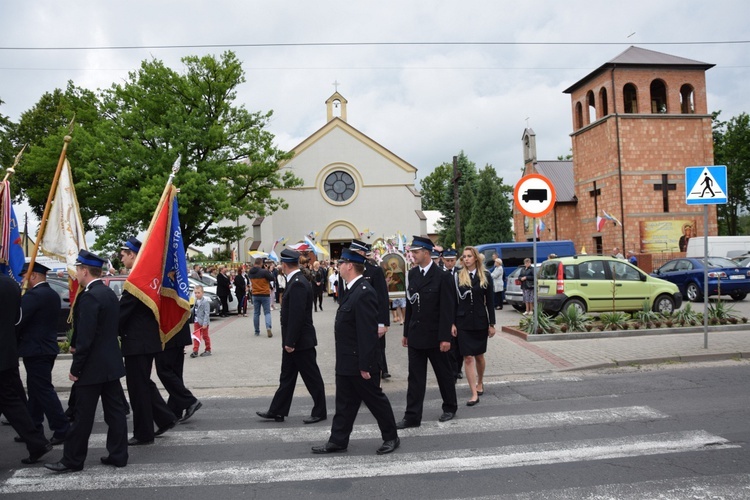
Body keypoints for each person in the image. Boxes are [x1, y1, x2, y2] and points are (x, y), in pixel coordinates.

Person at [45, 250, 128, 472]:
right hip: (110, 364)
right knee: (115, 413)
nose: (77, 274)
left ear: (84, 270)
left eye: (78, 269)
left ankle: (72, 460)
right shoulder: (108, 293)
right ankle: (118, 455)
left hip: (92, 367)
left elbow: (87, 337)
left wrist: (76, 367)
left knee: (82, 416)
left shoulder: (91, 296)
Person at [311, 248, 399, 455]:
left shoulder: (364, 292)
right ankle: (338, 440)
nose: (338, 266)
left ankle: (391, 437)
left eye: (341, 263)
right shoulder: (352, 289)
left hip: (360, 363)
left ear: (349, 265)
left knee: (375, 401)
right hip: (345, 361)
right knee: (344, 404)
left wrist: (366, 365)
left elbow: (368, 334)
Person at [118, 237, 178, 446]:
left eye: (123, 254)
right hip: (145, 341)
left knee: (138, 388)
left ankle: (144, 433)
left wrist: (107, 330)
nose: (121, 258)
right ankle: (165, 417)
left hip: (137, 343)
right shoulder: (144, 277)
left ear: (133, 255)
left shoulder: (137, 281)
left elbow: (121, 314)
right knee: (143, 383)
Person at [256, 249, 327, 424]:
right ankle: (277, 410)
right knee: (287, 377)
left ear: (285, 265)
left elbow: (297, 316)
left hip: (299, 341)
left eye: (281, 264)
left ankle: (320, 411)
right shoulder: (295, 280)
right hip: (294, 340)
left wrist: (290, 341)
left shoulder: (298, 283)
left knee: (312, 377)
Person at [397, 236, 457, 429]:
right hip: (416, 335)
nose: (412, 255)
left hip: (436, 336)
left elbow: (448, 310)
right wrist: (406, 332)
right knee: (415, 378)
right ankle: (412, 416)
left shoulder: (443, 277)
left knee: (444, 374)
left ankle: (450, 407)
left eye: (415, 252)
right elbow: (411, 306)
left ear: (425, 252)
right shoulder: (413, 275)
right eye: (412, 252)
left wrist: (445, 337)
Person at [0, 272, 53, 465]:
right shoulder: (11, 285)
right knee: (11, 402)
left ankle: (37, 442)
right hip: (8, 352)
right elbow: (17, 319)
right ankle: (37, 442)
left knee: (11, 401)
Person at [17, 262, 69, 446]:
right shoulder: (52, 294)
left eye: (24, 276)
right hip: (46, 348)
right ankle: (33, 427)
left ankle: (62, 428)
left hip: (36, 349)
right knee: (36, 389)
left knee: (43, 390)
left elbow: (19, 321)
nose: (23, 279)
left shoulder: (33, 296)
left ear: (34, 276)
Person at [451, 247, 496, 406]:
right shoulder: (457, 276)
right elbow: (453, 301)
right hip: (463, 322)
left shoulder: (486, 276)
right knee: (467, 357)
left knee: (479, 356)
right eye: (464, 257)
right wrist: (452, 323)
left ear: (476, 258)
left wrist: (492, 324)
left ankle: (480, 381)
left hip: (480, 321)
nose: (466, 259)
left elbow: (490, 301)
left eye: (469, 256)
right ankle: (473, 393)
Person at [344, 240, 391, 379]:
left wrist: (383, 323)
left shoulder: (374, 271)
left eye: (355, 252)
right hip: (354, 320)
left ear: (362, 253)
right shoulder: (348, 269)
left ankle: (380, 371)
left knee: (376, 348)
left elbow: (382, 297)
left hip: (372, 319)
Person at [442, 249, 463, 380]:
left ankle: (458, 369)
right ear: (443, 260)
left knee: (459, 343)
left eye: (452, 261)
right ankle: (451, 371)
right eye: (447, 261)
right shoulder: (440, 273)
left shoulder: (460, 273)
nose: (450, 263)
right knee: (450, 344)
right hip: (446, 311)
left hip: (459, 311)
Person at [248, 258, 274, 337]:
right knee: (267, 312)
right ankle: (268, 327)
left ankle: (257, 331)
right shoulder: (264, 272)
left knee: (256, 313)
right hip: (265, 294)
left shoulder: (250, 272)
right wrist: (267, 270)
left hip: (255, 294)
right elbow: (272, 278)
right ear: (261, 263)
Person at [191, 285, 211, 357]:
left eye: (198, 293)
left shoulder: (205, 302)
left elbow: (207, 313)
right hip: (196, 322)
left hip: (203, 323)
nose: (197, 294)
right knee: (196, 336)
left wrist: (205, 323)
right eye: (195, 293)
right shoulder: (195, 301)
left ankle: (208, 349)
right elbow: (194, 310)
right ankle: (195, 350)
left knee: (205, 336)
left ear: (202, 293)